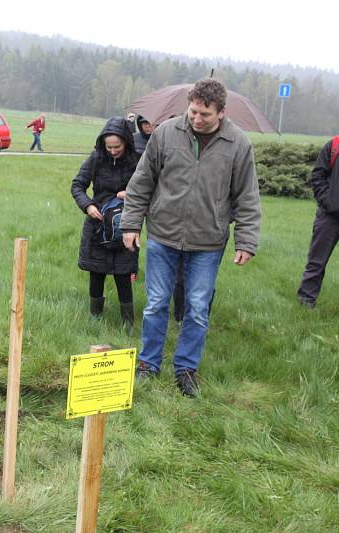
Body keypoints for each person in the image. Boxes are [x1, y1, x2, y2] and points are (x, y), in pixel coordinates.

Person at [121, 78, 261, 397]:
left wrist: (247, 240)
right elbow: (142, 181)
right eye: (193, 110)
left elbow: (247, 197)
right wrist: (131, 224)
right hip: (162, 234)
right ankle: (148, 363)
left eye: (205, 114)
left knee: (197, 307)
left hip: (208, 242)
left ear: (221, 113)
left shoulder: (238, 144)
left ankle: (185, 368)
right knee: (156, 302)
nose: (196, 119)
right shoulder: (166, 133)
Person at [71, 116, 140, 327]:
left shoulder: (137, 160)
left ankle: (128, 323)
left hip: (125, 225)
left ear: (126, 141)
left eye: (116, 146)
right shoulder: (96, 158)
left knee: (123, 274)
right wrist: (88, 206)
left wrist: (131, 194)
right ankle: (95, 319)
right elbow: (77, 185)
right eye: (108, 146)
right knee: (97, 272)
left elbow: (151, 187)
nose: (112, 151)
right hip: (97, 224)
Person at [296, 136, 339, 308]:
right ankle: (306, 301)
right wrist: (328, 202)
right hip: (329, 217)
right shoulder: (334, 145)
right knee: (316, 262)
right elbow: (318, 175)